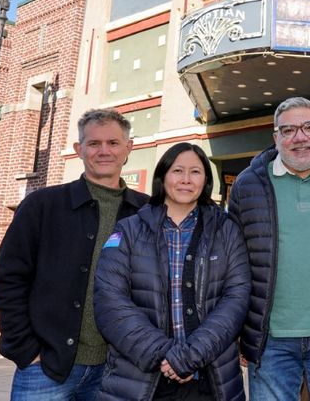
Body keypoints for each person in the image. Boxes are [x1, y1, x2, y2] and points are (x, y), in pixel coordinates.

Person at [0, 108, 148, 399]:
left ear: (128, 148)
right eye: (94, 143)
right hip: (46, 368)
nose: (104, 151)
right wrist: (26, 349)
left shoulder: (147, 212)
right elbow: (8, 281)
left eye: (113, 143)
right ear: (79, 149)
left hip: (117, 370)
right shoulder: (42, 205)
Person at [94, 142, 250, 400]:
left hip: (210, 381)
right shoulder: (128, 230)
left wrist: (190, 356)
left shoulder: (226, 229)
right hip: (141, 380)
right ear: (163, 176)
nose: (186, 180)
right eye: (178, 171)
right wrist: (165, 355)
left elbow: (237, 296)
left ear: (206, 181)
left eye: (195, 172)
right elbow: (109, 301)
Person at [227, 97, 310, 401]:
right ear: (276, 138)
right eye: (288, 130)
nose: (300, 137)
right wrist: (236, 332)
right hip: (269, 340)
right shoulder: (248, 185)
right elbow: (232, 264)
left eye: (309, 127)